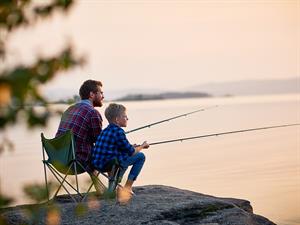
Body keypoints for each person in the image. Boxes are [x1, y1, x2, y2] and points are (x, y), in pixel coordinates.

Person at [92, 103, 149, 202]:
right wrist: (142, 146)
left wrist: (132, 146)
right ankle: (127, 188)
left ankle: (113, 188)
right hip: (109, 164)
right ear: (117, 119)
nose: (127, 118)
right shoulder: (119, 132)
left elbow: (118, 147)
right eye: (125, 116)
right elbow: (131, 152)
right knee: (140, 156)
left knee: (123, 156)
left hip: (98, 164)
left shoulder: (105, 130)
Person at [56, 79, 104, 174]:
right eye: (101, 93)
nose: (103, 96)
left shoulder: (69, 109)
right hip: (76, 163)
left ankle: (101, 188)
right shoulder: (92, 112)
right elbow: (100, 142)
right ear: (92, 94)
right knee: (109, 152)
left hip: (58, 160)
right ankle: (114, 187)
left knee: (89, 150)